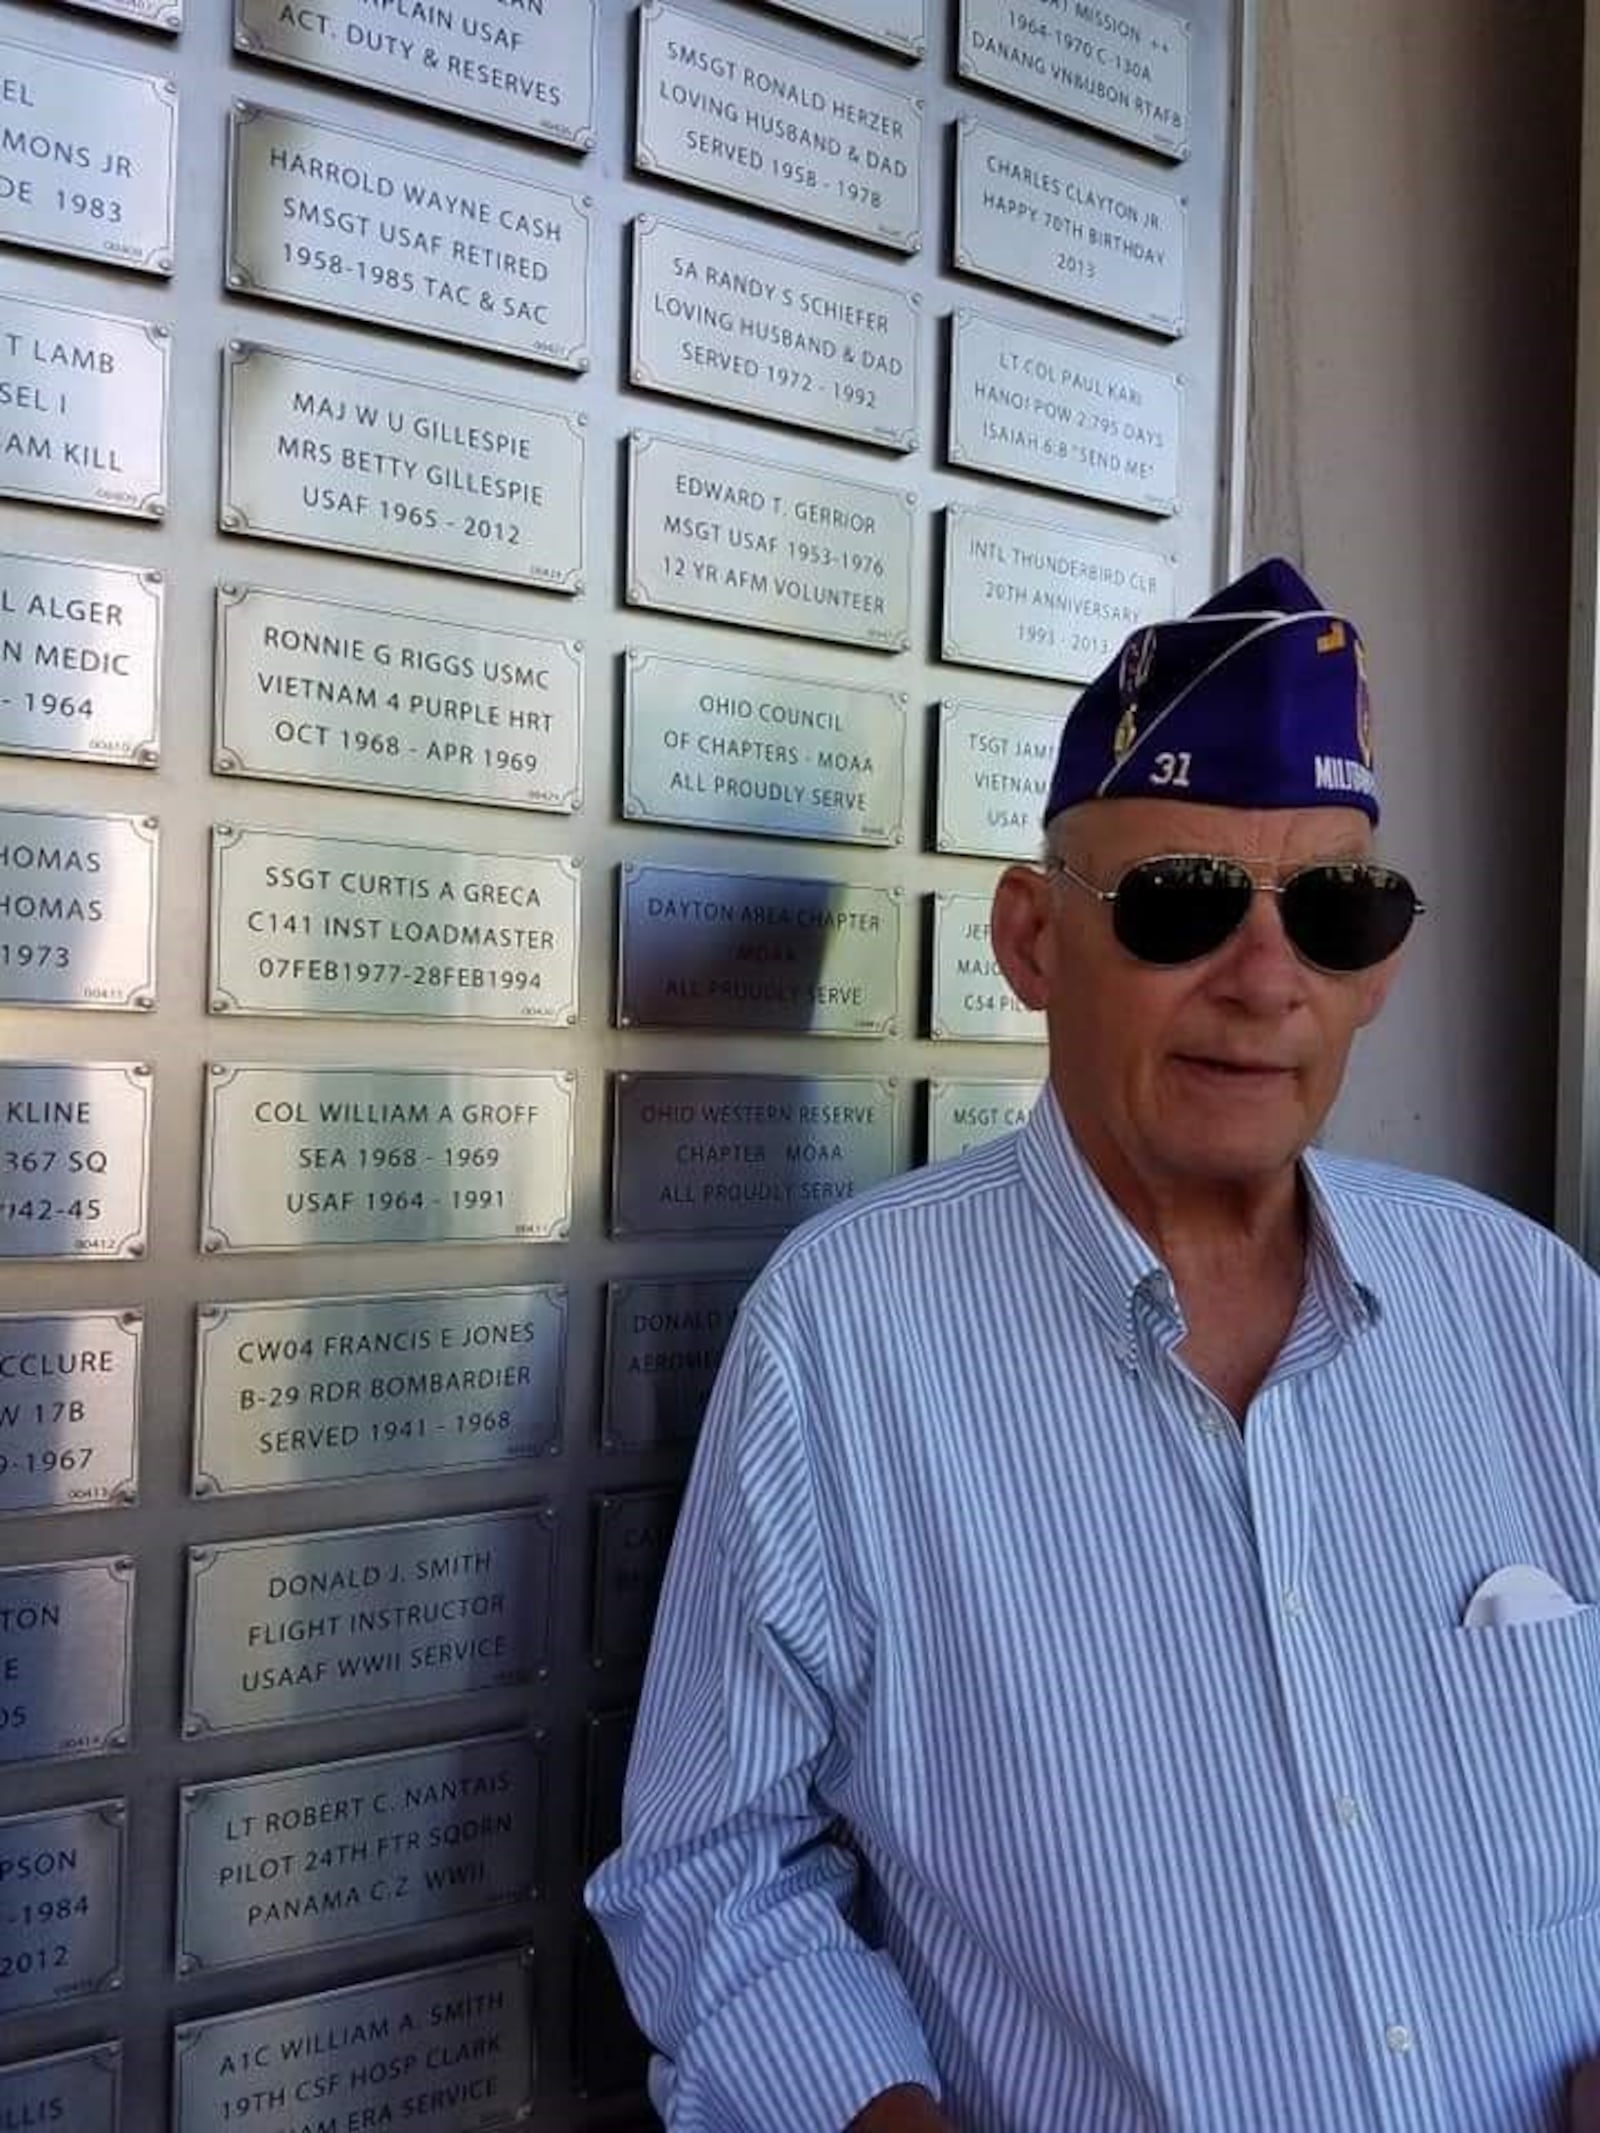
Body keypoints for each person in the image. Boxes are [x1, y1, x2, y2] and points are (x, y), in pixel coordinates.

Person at [587, 558, 1600, 2132]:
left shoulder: (1526, 1309)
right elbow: (713, 1868)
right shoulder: (852, 1336)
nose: (1266, 981)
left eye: (1332, 910)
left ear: (1381, 966)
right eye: (1184, 902)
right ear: (1033, 938)